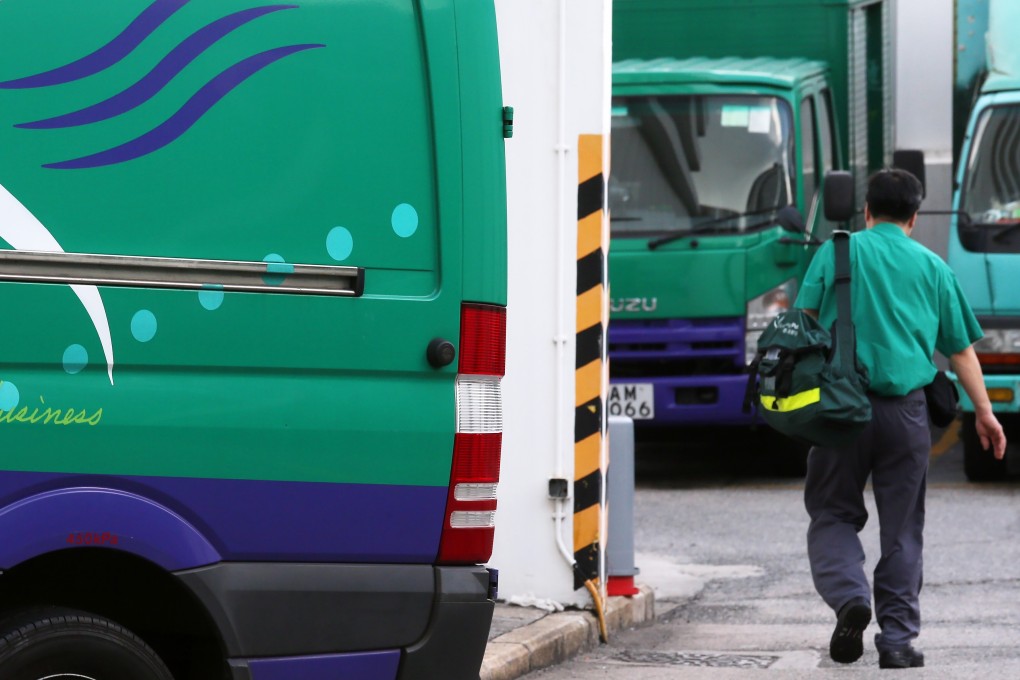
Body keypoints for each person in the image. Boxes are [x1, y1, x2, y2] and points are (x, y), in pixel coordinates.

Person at [795, 168, 1007, 669]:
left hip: (839, 410)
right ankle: (897, 641)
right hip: (906, 414)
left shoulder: (835, 252)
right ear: (914, 217)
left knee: (832, 513)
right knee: (903, 530)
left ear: (866, 211)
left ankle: (851, 599)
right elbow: (960, 353)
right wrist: (984, 412)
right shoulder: (932, 267)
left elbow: (801, 327)